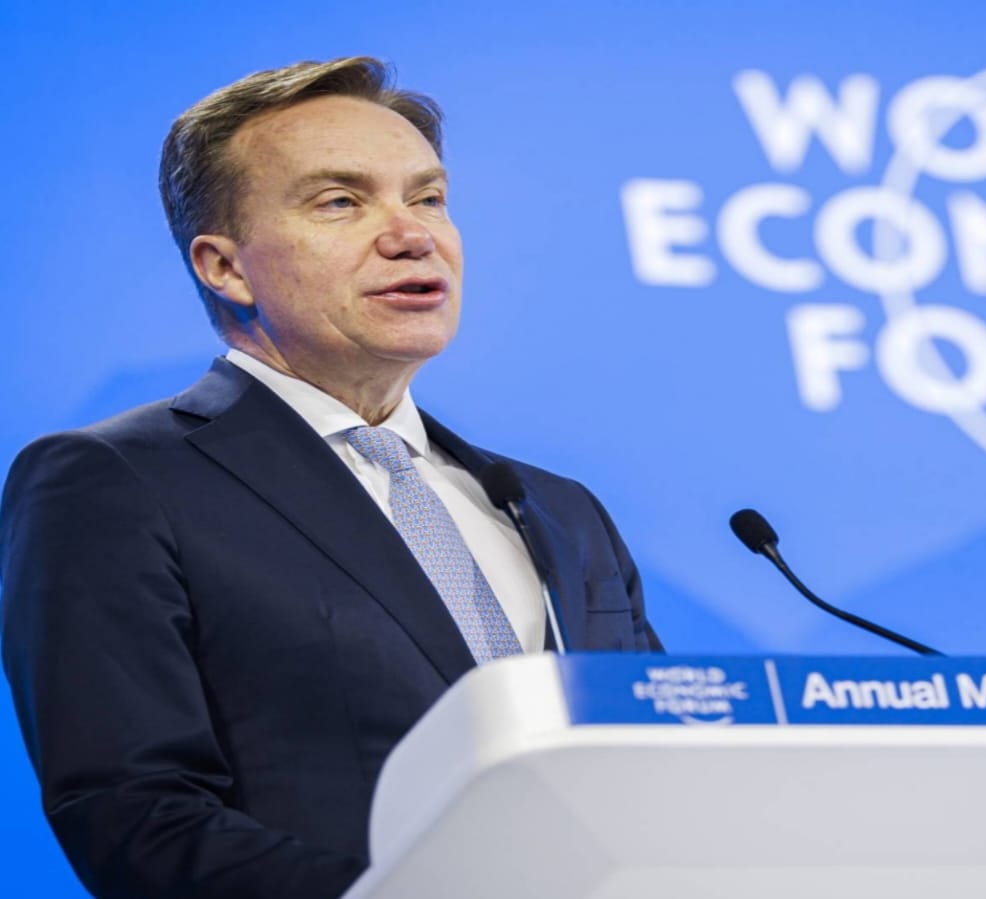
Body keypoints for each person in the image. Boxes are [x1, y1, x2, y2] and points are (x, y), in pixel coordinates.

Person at [0, 57, 661, 899]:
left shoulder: (560, 510)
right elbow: (138, 818)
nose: (412, 235)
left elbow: (657, 768)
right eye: (341, 202)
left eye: (428, 197)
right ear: (225, 266)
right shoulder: (115, 482)